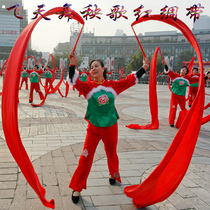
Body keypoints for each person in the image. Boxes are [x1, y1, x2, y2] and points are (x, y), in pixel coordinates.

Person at [67, 51, 150, 204]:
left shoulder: (113, 86)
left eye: (96, 66)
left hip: (111, 126)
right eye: (91, 67)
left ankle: (113, 174)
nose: (93, 69)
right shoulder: (87, 87)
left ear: (104, 69)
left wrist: (144, 67)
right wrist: (72, 64)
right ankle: (77, 187)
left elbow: (131, 80)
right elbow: (74, 81)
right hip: (94, 128)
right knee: (85, 157)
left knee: (111, 153)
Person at [163, 61, 199, 127]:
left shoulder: (188, 79)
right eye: (182, 69)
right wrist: (165, 65)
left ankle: (183, 122)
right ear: (180, 70)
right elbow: (168, 71)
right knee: (173, 108)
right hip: (174, 95)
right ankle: (171, 122)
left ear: (186, 72)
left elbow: (197, 79)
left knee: (184, 109)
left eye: (185, 69)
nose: (183, 69)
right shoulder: (175, 76)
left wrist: (205, 77)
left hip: (182, 96)